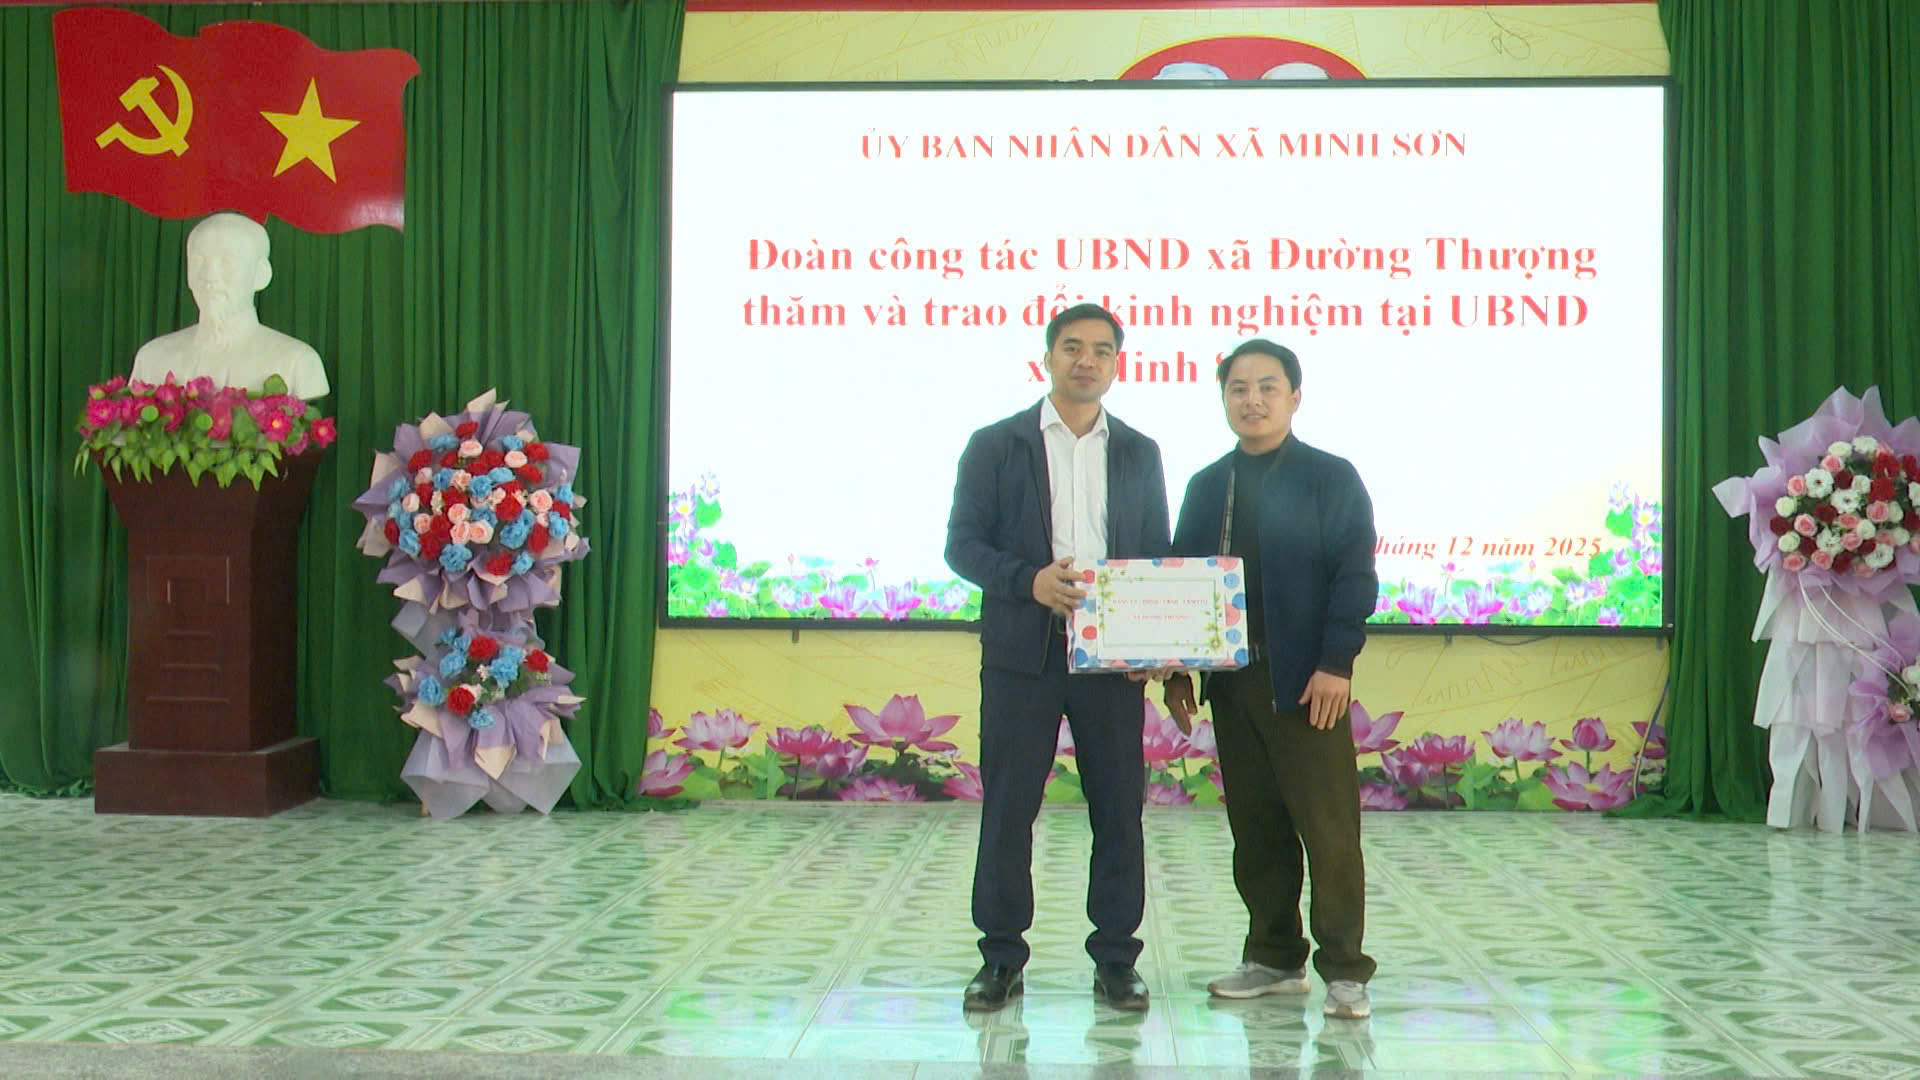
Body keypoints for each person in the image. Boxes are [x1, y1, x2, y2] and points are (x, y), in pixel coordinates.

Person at [945, 303, 1172, 1013]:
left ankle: (1117, 959)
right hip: (1023, 657)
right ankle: (1000, 957)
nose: (1086, 360)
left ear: (1116, 364)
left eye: (1101, 350)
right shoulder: (996, 445)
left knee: (1119, 811)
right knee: (1009, 810)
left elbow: (1156, 554)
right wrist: (1029, 581)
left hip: (1113, 661)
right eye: (1072, 347)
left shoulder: (1139, 451)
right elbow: (962, 546)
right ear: (1047, 358)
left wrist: (1158, 640)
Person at [1162, 339, 1379, 1020]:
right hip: (1234, 683)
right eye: (1238, 389)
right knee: (1256, 830)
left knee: (1329, 833)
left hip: (1308, 684)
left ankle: (1345, 969)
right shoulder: (1208, 485)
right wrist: (1178, 668)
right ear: (1223, 398)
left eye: (1267, 387)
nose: (1252, 400)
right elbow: (1183, 579)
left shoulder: (1329, 477)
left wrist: (1336, 663)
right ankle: (1274, 957)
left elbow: (1355, 575)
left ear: (1295, 397)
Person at [131, 212, 330, 399]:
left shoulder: (297, 363)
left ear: (261, 274)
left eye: (227, 262)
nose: (209, 276)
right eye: (198, 261)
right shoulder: (152, 359)